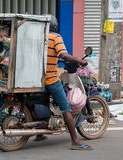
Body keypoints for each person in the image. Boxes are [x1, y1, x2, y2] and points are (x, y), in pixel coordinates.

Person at [44, 15, 92, 150]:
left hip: (37, 79)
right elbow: (63, 55)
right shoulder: (55, 37)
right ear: (55, 26)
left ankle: (39, 134)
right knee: (66, 108)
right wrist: (79, 60)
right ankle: (75, 142)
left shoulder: (40, 37)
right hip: (50, 79)